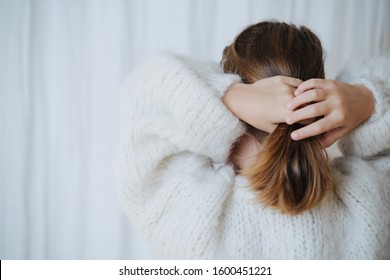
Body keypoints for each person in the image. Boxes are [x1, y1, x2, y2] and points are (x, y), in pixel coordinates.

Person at [116, 21, 390, 259]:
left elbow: (145, 100)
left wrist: (230, 97)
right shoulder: (369, 208)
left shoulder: (192, 218)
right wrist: (367, 98)